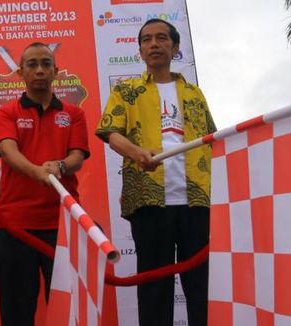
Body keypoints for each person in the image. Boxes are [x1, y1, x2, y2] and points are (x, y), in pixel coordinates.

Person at [96, 19, 216, 326]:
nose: (153, 44)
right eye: (146, 39)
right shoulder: (126, 91)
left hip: (197, 201)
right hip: (148, 201)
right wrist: (136, 153)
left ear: (175, 48)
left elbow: (212, 140)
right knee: (153, 287)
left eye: (161, 38)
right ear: (139, 50)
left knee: (202, 286)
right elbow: (110, 132)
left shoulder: (194, 93)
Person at [0, 42, 90, 326]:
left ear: (56, 71)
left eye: (46, 64)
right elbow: (8, 151)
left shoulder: (74, 113)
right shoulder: (6, 112)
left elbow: (77, 156)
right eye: (32, 65)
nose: (40, 70)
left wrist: (60, 166)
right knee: (17, 313)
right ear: (20, 72)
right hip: (14, 226)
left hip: (64, 226)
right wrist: (38, 172)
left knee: (70, 312)